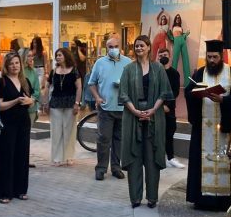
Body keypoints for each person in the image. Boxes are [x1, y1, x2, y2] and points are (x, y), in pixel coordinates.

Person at [184, 40, 231, 210]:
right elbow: (188, 92)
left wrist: (224, 100)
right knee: (201, 161)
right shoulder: (200, 73)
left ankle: (224, 200)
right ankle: (202, 199)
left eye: (215, 57)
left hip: (225, 128)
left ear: (221, 56)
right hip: (203, 129)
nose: (211, 60)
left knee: (225, 161)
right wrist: (197, 94)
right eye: (209, 57)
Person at [119, 35, 173, 208]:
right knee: (134, 157)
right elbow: (123, 94)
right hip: (132, 117)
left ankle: (152, 198)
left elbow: (164, 92)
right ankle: (135, 198)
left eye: (142, 45)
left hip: (154, 118)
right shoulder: (128, 69)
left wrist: (153, 110)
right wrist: (135, 111)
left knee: (152, 158)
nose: (139, 48)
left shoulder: (158, 68)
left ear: (149, 47)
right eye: (136, 46)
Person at [86, 35, 131, 181]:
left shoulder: (128, 62)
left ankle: (116, 168)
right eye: (110, 47)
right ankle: (101, 168)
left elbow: (134, 82)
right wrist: (97, 97)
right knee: (104, 138)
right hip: (106, 107)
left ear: (121, 47)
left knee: (119, 140)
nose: (113, 49)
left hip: (123, 107)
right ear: (106, 48)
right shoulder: (100, 63)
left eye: (116, 46)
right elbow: (91, 83)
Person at [0, 51, 33, 203]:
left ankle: (20, 190)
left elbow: (31, 99)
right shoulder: (1, 82)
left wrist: (31, 101)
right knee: (7, 156)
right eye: (11, 64)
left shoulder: (25, 81)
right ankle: (5, 192)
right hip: (7, 123)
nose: (14, 66)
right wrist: (16, 101)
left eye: (17, 63)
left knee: (22, 156)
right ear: (6, 66)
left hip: (23, 122)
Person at [47, 47, 81, 167]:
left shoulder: (74, 71)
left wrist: (77, 103)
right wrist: (45, 102)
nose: (57, 57)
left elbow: (79, 88)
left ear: (66, 56)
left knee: (69, 131)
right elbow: (48, 86)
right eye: (56, 55)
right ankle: (56, 157)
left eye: (60, 55)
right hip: (55, 104)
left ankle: (69, 156)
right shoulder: (53, 71)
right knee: (56, 131)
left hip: (70, 104)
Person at [157, 47, 183, 169]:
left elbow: (175, 92)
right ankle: (158, 157)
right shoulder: (156, 72)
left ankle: (170, 158)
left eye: (165, 55)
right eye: (161, 55)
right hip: (156, 108)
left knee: (169, 132)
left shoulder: (174, 73)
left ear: (169, 56)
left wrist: (167, 105)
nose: (163, 57)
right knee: (157, 134)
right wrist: (160, 106)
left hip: (169, 109)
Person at [30, 36, 47, 108]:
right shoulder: (31, 51)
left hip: (40, 69)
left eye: (36, 43)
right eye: (33, 42)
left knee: (39, 86)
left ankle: (39, 104)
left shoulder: (43, 52)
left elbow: (45, 63)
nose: (34, 44)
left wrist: (46, 73)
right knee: (32, 86)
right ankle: (35, 102)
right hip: (33, 69)